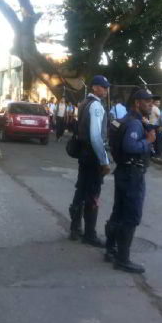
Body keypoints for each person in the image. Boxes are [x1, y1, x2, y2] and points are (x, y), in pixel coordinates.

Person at [104, 89, 157, 273]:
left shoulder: (126, 120)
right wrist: (148, 141)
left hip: (123, 171)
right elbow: (130, 145)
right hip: (132, 173)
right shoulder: (134, 123)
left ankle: (110, 249)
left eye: (152, 101)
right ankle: (122, 258)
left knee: (118, 212)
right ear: (137, 103)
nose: (151, 104)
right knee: (132, 215)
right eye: (147, 101)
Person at [68, 75, 111, 246]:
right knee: (93, 194)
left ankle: (74, 228)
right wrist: (104, 161)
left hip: (84, 154)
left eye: (106, 88)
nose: (106, 91)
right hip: (93, 156)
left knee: (81, 190)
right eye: (103, 87)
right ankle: (90, 234)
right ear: (94, 88)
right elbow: (95, 137)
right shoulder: (96, 106)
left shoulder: (84, 103)